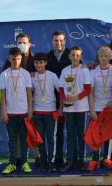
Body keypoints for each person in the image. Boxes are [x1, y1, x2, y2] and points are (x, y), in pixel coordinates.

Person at [2, 33, 39, 167]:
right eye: (19, 42)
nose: (22, 45)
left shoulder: (35, 59)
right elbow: (4, 84)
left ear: (29, 44)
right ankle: (18, 159)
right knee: (17, 136)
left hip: (34, 100)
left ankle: (37, 157)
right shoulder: (9, 62)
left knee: (32, 131)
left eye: (24, 42)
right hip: (15, 103)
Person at [58, 46, 91, 172]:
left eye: (78, 55)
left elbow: (88, 89)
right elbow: (61, 88)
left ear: (81, 56)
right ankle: (70, 161)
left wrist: (76, 97)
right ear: (69, 56)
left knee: (81, 135)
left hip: (81, 107)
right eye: (73, 55)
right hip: (68, 108)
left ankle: (81, 161)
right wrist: (64, 100)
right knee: (70, 135)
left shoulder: (84, 70)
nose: (75, 57)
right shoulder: (65, 70)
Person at [0, 47, 33, 174]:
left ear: (21, 59)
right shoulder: (4, 74)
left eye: (18, 59)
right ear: (9, 58)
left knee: (24, 139)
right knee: (12, 139)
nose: (15, 61)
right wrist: (3, 111)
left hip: (24, 112)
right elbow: (2, 94)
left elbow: (29, 93)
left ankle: (25, 162)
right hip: (10, 113)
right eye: (13, 59)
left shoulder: (25, 74)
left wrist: (30, 109)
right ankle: (12, 163)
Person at [87, 46, 112, 171]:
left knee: (108, 134)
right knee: (95, 134)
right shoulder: (93, 72)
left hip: (110, 108)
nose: (104, 58)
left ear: (110, 57)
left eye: (106, 56)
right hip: (97, 107)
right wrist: (92, 110)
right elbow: (90, 93)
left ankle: (107, 158)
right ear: (98, 58)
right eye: (101, 56)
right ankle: (94, 160)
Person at [31, 52, 60, 172]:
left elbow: (61, 92)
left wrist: (61, 108)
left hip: (50, 112)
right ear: (34, 64)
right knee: (40, 138)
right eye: (37, 63)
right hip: (37, 112)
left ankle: (51, 162)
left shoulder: (52, 76)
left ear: (46, 63)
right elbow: (29, 94)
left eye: (41, 62)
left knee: (51, 137)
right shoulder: (31, 77)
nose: (39, 65)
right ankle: (43, 161)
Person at [46, 30, 71, 168]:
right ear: (52, 41)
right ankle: (58, 158)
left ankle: (72, 159)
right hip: (53, 100)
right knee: (57, 132)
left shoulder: (71, 55)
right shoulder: (47, 57)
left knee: (72, 131)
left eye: (61, 40)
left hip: (72, 100)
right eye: (56, 40)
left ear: (65, 41)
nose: (59, 43)